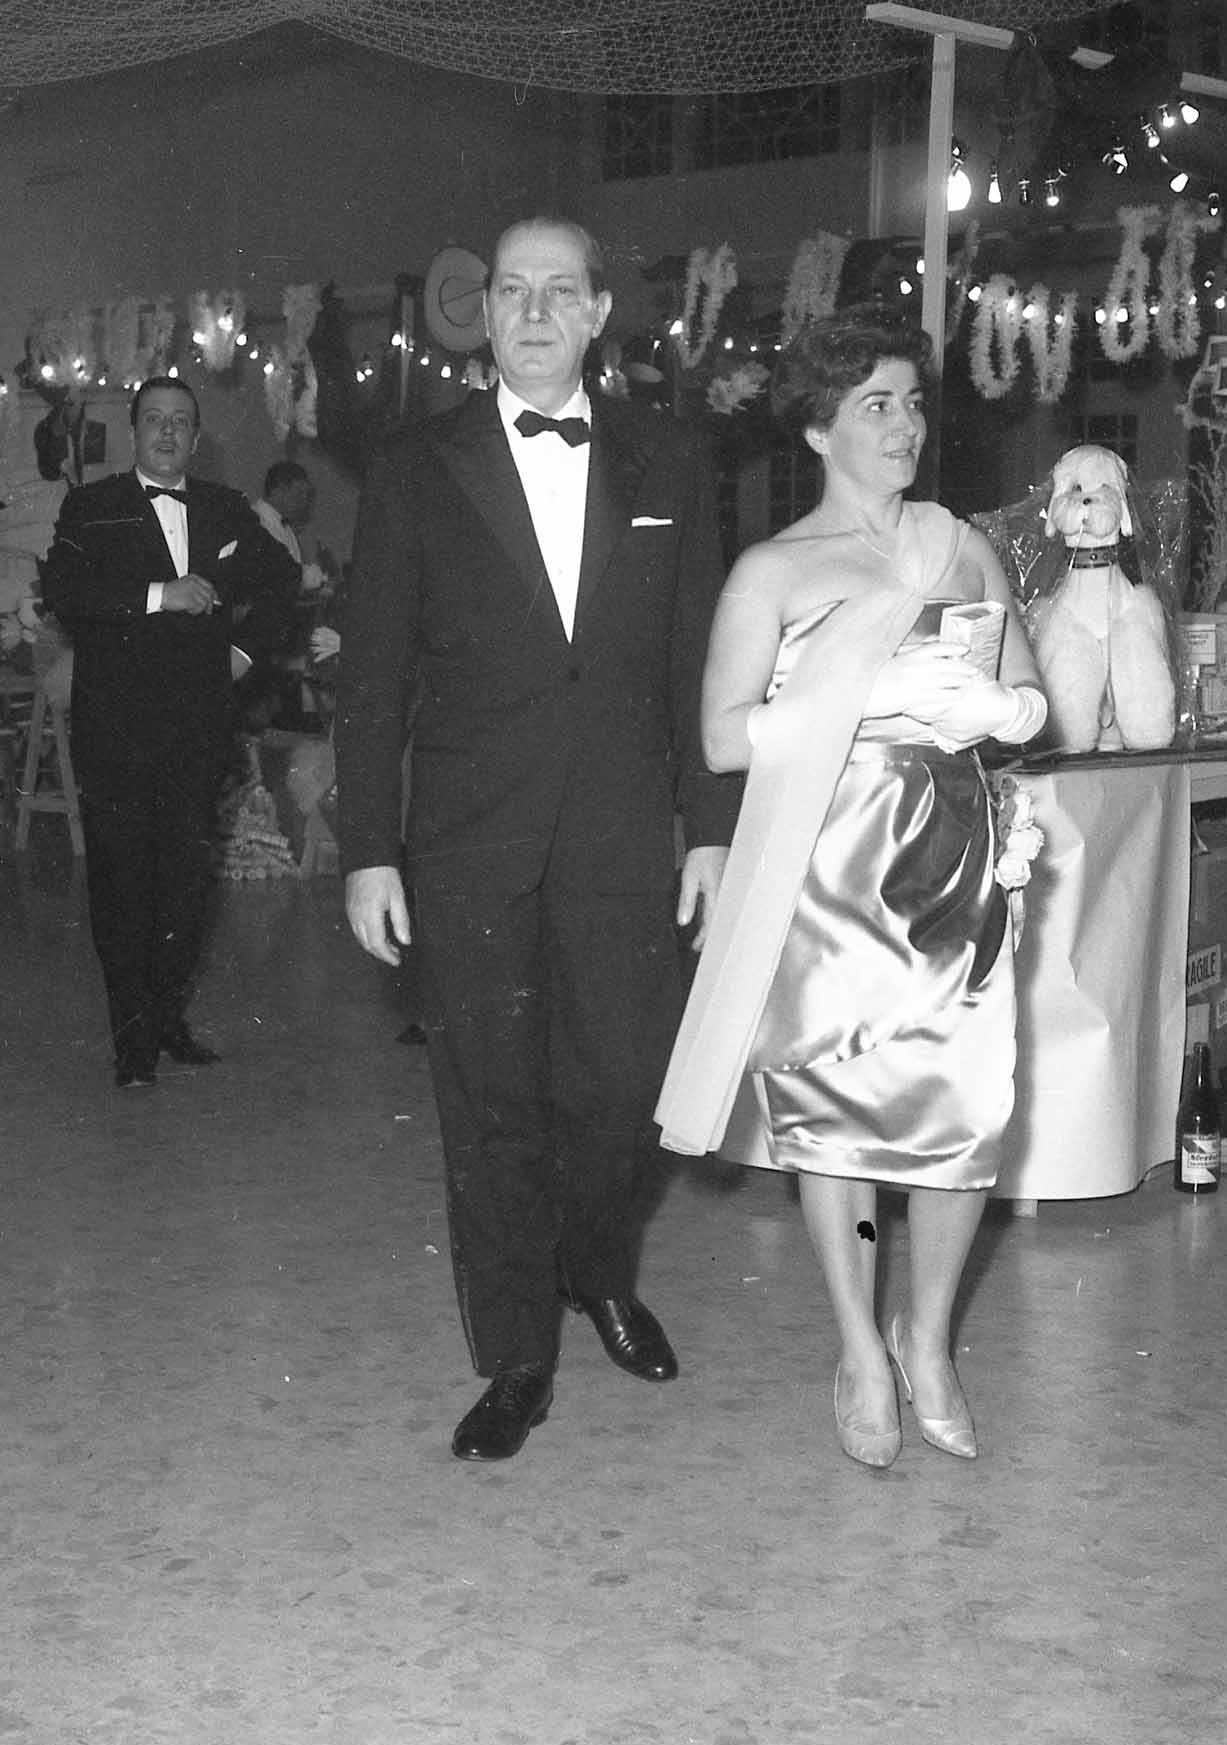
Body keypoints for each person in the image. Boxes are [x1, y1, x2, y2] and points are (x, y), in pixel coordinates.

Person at [337, 217, 740, 1461]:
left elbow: (698, 662)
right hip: (468, 840)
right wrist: (367, 848)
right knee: (490, 1104)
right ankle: (517, 1356)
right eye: (511, 291)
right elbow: (372, 675)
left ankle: (598, 1268)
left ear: (599, 313)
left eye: (558, 292)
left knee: (624, 1090)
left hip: (621, 830)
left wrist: (710, 830)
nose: (532, 313)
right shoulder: (416, 465)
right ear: (484, 315)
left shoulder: (670, 459)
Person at [656, 304, 1048, 1468]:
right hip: (827, 861)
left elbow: (1032, 702)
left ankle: (927, 1339)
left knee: (963, 1109)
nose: (903, 425)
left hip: (951, 855)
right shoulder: (773, 570)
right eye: (875, 405)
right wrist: (866, 700)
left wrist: (1000, 708)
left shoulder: (961, 547)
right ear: (818, 429)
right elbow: (721, 737)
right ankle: (858, 1350)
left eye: (912, 402)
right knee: (833, 1118)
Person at [40, 375, 299, 1088]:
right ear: (133, 432)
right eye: (154, 419)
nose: (166, 431)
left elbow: (283, 582)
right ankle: (133, 1040)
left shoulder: (222, 507)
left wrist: (240, 655)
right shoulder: (92, 506)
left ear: (195, 436)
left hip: (196, 730)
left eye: (180, 421)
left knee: (185, 886)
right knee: (122, 883)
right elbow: (64, 592)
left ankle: (166, 1017)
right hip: (116, 731)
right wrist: (160, 595)